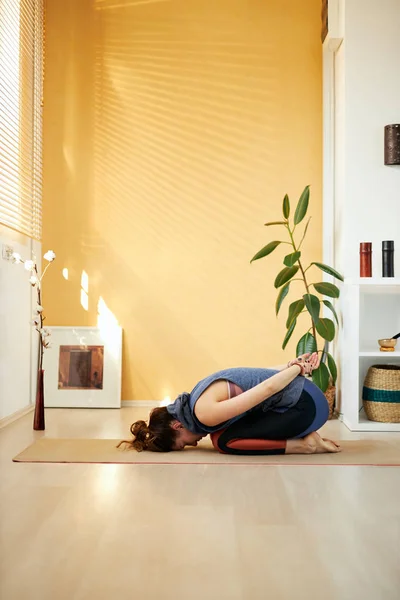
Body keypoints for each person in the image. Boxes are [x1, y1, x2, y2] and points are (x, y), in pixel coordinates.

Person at [118, 353, 341, 455]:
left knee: (225, 442)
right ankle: (303, 437)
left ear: (177, 426)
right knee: (219, 435)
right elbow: (258, 376)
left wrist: (296, 368)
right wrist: (291, 364)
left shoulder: (204, 413)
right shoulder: (197, 396)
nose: (193, 445)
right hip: (300, 400)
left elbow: (266, 389)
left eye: (183, 444)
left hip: (307, 407)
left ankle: (307, 446)